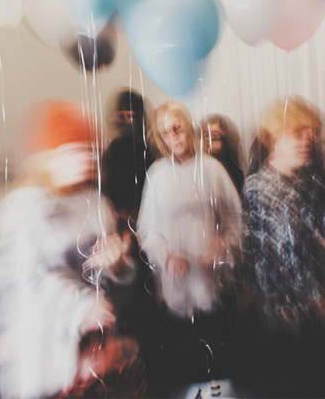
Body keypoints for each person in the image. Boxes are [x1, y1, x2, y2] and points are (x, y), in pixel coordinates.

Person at [0, 99, 142, 399]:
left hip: (93, 367)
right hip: (43, 369)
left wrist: (118, 265)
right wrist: (79, 308)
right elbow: (17, 286)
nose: (85, 159)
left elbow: (115, 293)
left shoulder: (97, 205)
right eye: (74, 151)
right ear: (48, 156)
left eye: (89, 150)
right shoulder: (20, 210)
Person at [238, 96, 325, 397]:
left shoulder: (310, 180)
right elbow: (287, 264)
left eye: (312, 134)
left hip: (323, 310)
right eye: (298, 134)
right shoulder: (261, 188)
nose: (308, 141)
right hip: (287, 318)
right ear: (274, 138)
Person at [136, 100, 242, 389]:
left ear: (188, 127)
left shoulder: (212, 169)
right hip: (176, 286)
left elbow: (235, 220)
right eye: (165, 133)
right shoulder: (157, 174)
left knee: (218, 362)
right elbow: (147, 229)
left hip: (212, 281)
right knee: (185, 361)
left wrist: (221, 246)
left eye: (177, 128)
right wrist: (166, 256)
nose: (173, 137)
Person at [102, 89, 155, 228]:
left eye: (130, 116)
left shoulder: (149, 151)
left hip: (147, 220)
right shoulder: (112, 150)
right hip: (119, 221)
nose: (125, 122)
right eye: (121, 117)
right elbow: (106, 189)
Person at [200, 113, 244, 193]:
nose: (207, 142)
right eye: (204, 137)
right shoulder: (197, 170)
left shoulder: (234, 173)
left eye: (213, 137)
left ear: (228, 141)